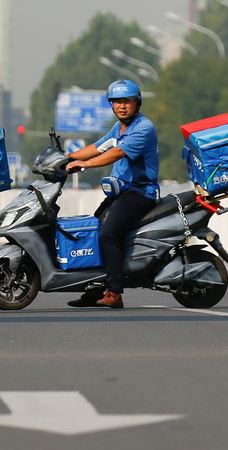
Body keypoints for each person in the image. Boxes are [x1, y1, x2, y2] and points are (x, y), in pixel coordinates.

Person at [65, 79, 160, 309]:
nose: (121, 106)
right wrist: (65, 158)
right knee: (93, 230)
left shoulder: (143, 128)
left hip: (139, 193)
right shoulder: (118, 128)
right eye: (116, 102)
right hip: (121, 192)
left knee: (108, 234)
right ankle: (95, 287)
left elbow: (115, 153)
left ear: (137, 103)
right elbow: (98, 146)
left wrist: (83, 164)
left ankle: (115, 292)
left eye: (126, 101)